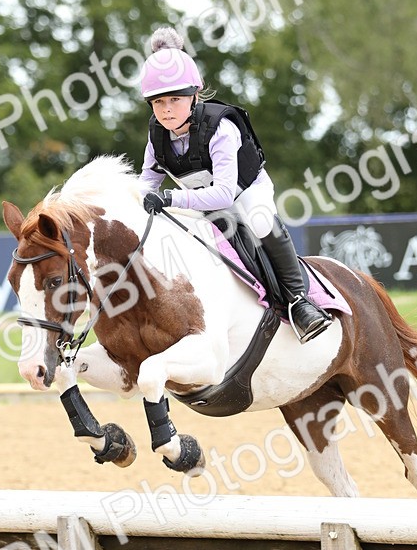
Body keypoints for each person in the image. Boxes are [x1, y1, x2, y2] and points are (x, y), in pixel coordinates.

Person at [137, 27, 331, 342]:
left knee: (260, 221)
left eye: (175, 99)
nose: (167, 109)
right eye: (158, 102)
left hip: (244, 192)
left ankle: (298, 300)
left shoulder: (221, 128)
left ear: (194, 96)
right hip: (199, 201)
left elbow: (225, 194)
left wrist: (170, 198)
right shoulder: (155, 135)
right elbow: (147, 182)